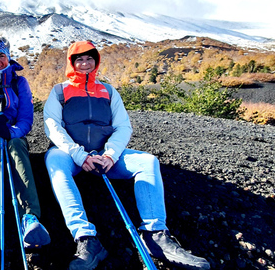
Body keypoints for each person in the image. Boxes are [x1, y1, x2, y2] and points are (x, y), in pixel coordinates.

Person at [43, 40, 210, 270]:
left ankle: (155, 235)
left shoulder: (109, 92)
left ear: (96, 61)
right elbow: (52, 126)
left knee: (147, 161)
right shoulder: (60, 91)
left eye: (89, 58)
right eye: (79, 59)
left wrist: (110, 155)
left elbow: (123, 126)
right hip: (72, 156)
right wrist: (80, 155)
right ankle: (86, 238)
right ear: (71, 63)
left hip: (105, 156)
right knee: (54, 160)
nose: (84, 63)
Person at [0, 36, 50, 258]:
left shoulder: (19, 82)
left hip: (13, 136)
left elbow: (26, 119)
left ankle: (30, 218)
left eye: (1, 56)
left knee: (16, 146)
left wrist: (11, 132)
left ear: (9, 57)